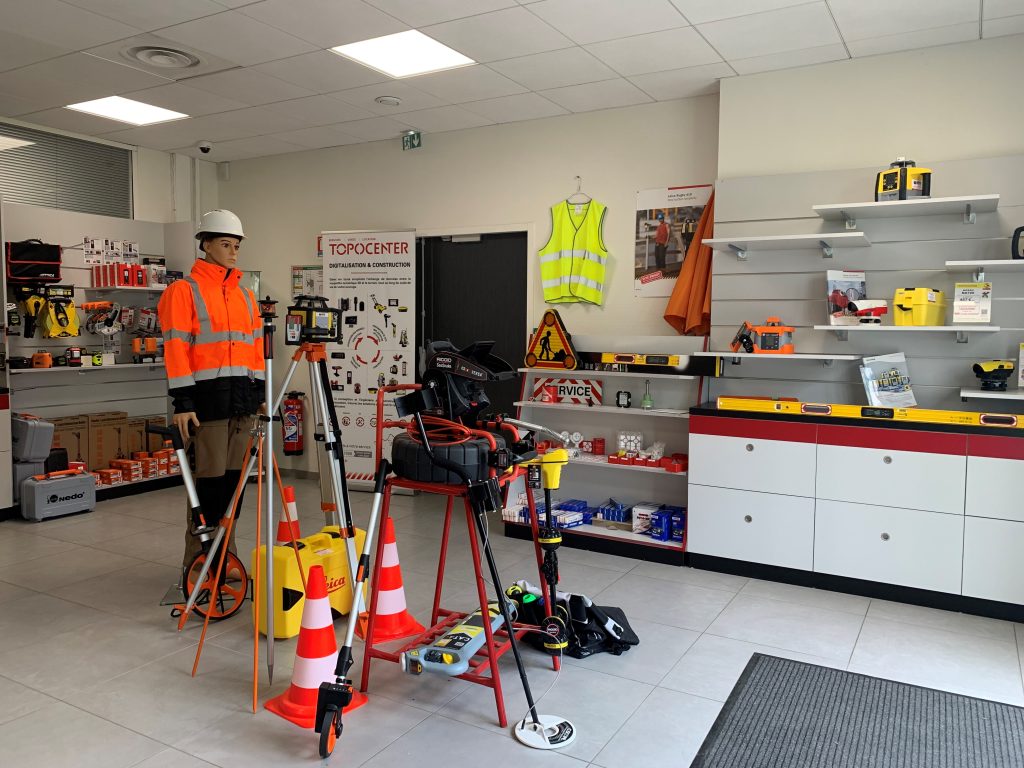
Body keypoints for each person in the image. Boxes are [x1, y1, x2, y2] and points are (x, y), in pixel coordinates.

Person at [158, 209, 265, 576]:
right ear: (205, 244)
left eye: (236, 245)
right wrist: (183, 402)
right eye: (225, 244)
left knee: (234, 487)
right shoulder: (182, 292)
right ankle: (198, 560)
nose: (234, 252)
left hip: (242, 404)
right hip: (206, 405)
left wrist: (260, 395)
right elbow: (176, 349)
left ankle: (226, 556)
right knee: (208, 487)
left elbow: (254, 352)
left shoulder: (246, 297)